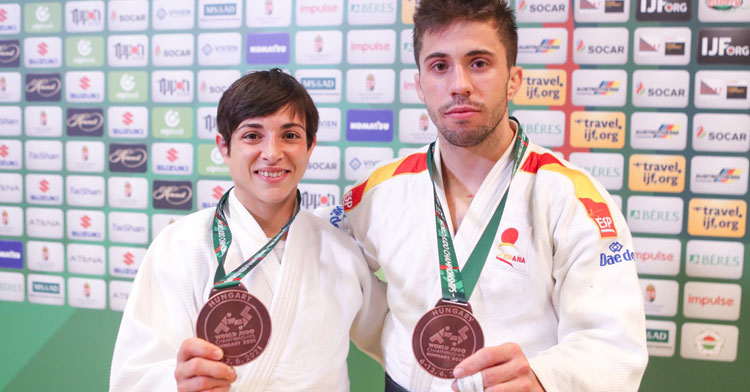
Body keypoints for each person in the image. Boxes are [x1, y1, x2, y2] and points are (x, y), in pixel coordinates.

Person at [324, 1, 648, 391]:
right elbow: (316, 266)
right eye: (439, 66)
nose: (459, 84)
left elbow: (614, 342)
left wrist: (544, 378)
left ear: (514, 79)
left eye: (479, 63)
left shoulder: (567, 197)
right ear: (419, 84)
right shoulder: (382, 190)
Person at [110, 69, 387, 392]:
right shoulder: (181, 246)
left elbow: (398, 336)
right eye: (252, 136)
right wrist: (179, 384)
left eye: (290, 135)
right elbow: (133, 378)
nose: (272, 153)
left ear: (310, 146)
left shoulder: (339, 250)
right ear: (224, 147)